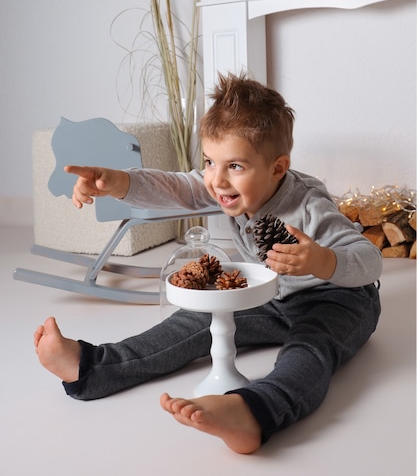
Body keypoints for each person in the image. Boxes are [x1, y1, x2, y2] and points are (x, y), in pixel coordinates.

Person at [34, 73, 382, 454]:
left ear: (278, 168)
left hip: (337, 298)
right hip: (269, 294)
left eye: (235, 166)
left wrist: (322, 259)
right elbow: (176, 187)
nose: (216, 180)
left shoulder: (309, 205)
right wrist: (117, 182)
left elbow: (369, 259)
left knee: (309, 349)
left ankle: (253, 411)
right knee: (192, 321)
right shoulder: (223, 184)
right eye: (209, 161)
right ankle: (93, 367)